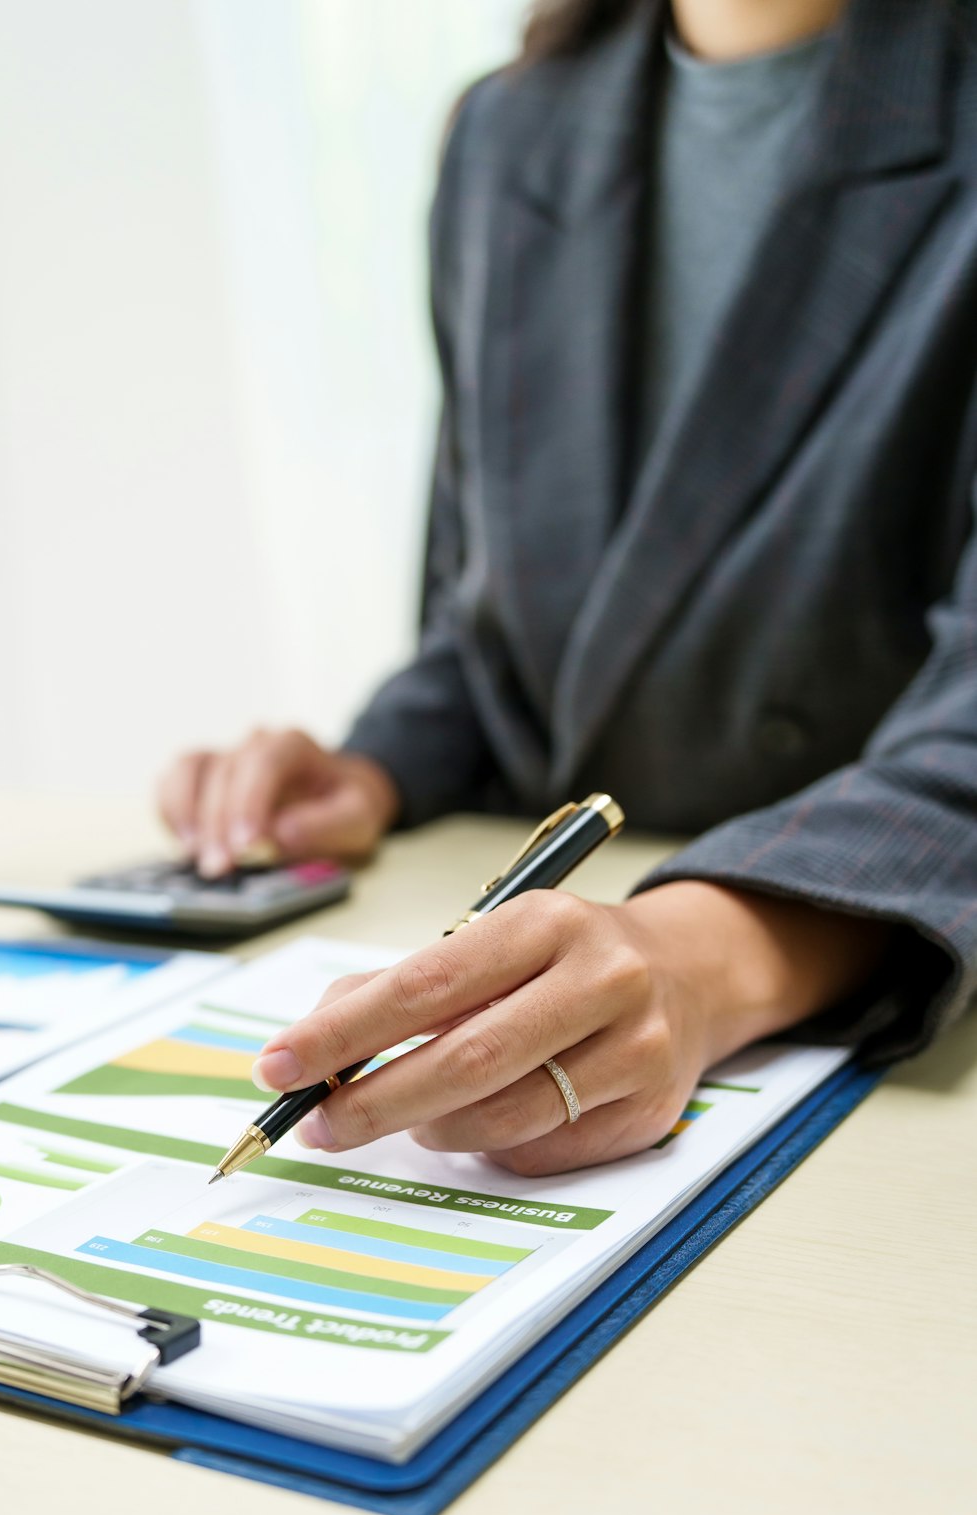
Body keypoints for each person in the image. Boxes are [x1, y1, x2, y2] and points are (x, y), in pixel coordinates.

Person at [158, 0, 977, 1175]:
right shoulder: (508, 128)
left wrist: (699, 960)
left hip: (885, 1060)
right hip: (576, 942)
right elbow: (488, 598)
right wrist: (383, 763)